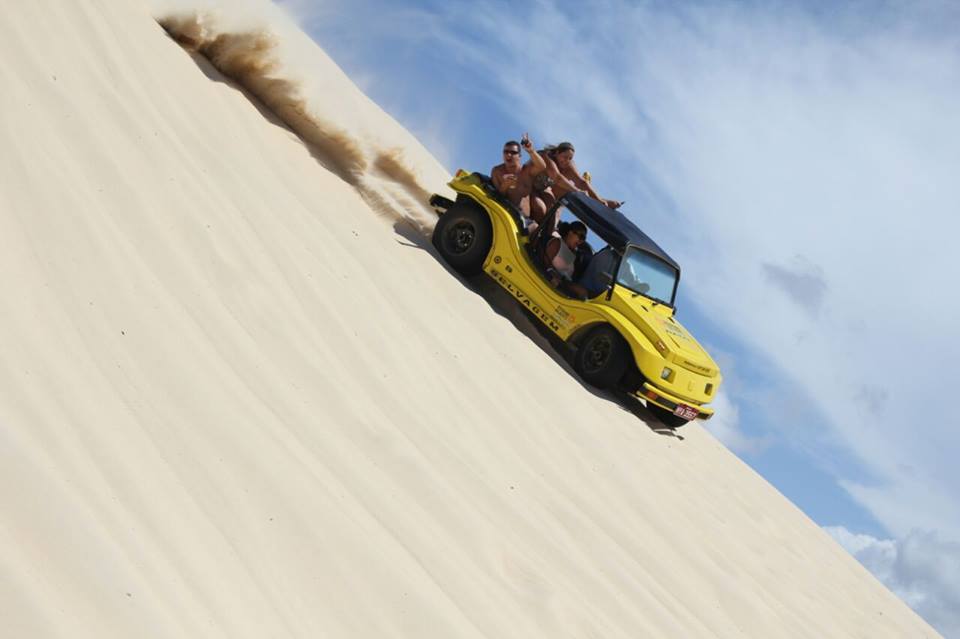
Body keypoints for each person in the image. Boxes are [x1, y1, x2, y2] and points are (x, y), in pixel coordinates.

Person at [545, 142, 622, 210]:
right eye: (565, 157)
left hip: (555, 192)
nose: (567, 161)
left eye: (570, 158)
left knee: (566, 196)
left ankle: (598, 200)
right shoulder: (547, 158)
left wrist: (599, 201)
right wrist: (578, 191)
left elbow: (581, 182)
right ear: (557, 153)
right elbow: (557, 178)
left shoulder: (568, 164)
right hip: (541, 189)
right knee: (560, 196)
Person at [543, 221, 589, 299]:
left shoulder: (574, 255)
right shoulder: (557, 243)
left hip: (564, 284)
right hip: (554, 280)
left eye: (583, 239)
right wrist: (553, 275)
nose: (581, 241)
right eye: (580, 237)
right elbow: (544, 263)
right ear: (570, 233)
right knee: (582, 291)